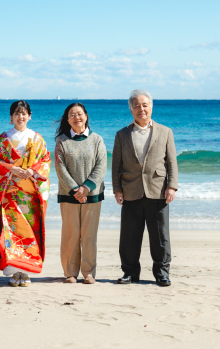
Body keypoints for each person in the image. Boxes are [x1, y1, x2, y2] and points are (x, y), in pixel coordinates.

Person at [112, 89, 178, 287]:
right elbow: (116, 165)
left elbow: (172, 163)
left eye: (144, 105)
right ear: (131, 110)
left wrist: (172, 186)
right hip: (131, 190)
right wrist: (117, 189)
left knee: (160, 236)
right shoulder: (122, 134)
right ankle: (130, 273)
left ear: (151, 107)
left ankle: (162, 273)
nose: (141, 109)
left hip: (158, 190)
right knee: (129, 237)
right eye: (136, 106)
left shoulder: (165, 132)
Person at [0, 100, 51, 287]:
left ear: (30, 116)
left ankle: (27, 271)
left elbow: (45, 160)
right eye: (17, 113)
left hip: (30, 193)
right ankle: (14, 270)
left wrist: (32, 171)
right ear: (11, 117)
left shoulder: (37, 138)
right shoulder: (3, 139)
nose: (20, 117)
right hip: (10, 193)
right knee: (11, 231)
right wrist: (11, 169)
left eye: (24, 113)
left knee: (29, 230)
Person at [54, 103, 107, 284]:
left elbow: (101, 166)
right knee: (71, 234)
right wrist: (75, 190)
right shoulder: (62, 140)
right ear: (67, 119)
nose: (77, 117)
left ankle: (89, 273)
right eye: (72, 115)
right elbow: (60, 168)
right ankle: (70, 273)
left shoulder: (97, 139)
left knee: (89, 235)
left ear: (86, 116)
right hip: (68, 195)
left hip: (92, 195)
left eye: (79, 114)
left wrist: (86, 188)